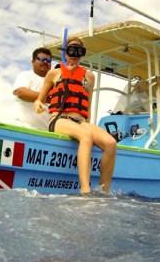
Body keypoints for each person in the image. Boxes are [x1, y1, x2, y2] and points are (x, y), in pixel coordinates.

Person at [34, 37, 117, 194]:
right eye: (71, 50)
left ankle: (104, 191)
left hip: (80, 122)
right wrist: (38, 104)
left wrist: (89, 124)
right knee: (86, 136)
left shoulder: (90, 77)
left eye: (79, 51)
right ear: (65, 54)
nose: (75, 54)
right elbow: (40, 99)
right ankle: (85, 190)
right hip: (59, 119)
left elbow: (88, 105)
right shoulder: (54, 73)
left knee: (111, 143)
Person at [12, 47, 52, 130]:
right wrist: (49, 99)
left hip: (49, 135)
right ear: (33, 62)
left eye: (48, 60)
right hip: (24, 130)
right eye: (41, 59)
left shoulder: (55, 82)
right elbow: (21, 93)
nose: (45, 62)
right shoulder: (26, 75)